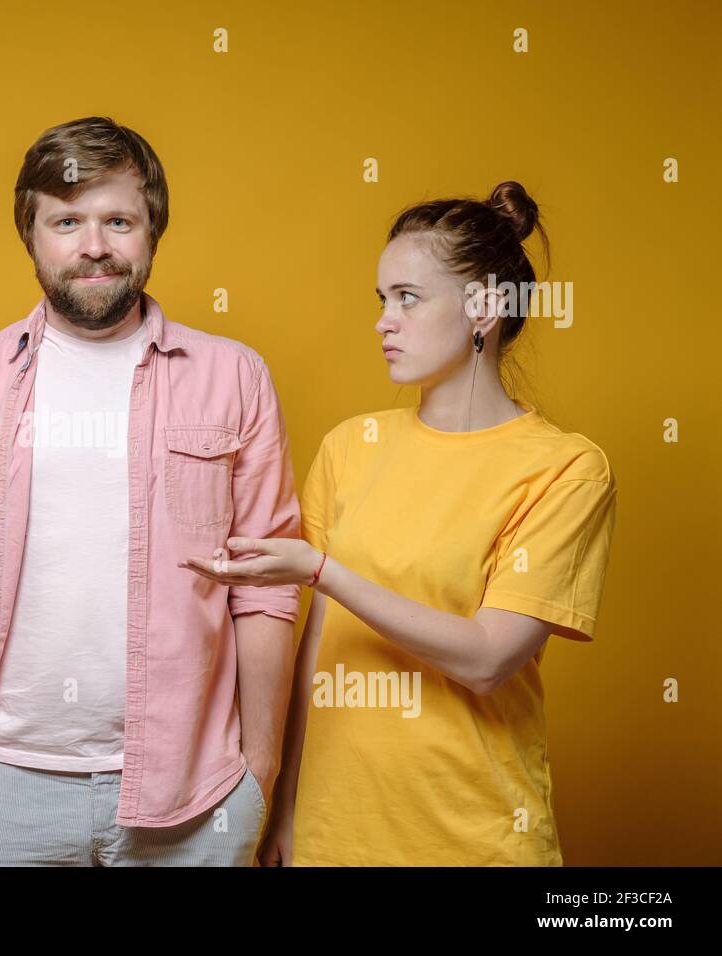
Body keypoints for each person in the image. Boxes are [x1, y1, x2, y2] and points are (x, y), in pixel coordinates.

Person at [0, 116, 301, 866]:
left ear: (152, 232)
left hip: (194, 785)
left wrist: (260, 768)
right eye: (67, 221)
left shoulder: (234, 376)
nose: (94, 245)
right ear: (31, 234)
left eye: (118, 220)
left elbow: (266, 589)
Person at [183, 182, 617, 866]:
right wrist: (285, 808)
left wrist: (323, 572)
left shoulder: (565, 469)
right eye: (382, 300)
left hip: (474, 837)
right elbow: (316, 651)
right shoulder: (351, 447)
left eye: (408, 298)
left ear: (485, 310)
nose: (384, 321)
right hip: (333, 836)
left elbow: (487, 658)